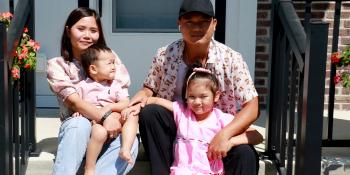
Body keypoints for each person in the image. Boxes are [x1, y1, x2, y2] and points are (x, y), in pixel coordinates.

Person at [122, 0, 261, 174]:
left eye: (203, 22)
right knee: (150, 113)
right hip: (180, 129)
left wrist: (225, 135)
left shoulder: (232, 59)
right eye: (189, 22)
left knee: (245, 154)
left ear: (214, 24)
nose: (196, 28)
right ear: (179, 24)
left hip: (218, 130)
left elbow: (252, 106)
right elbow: (149, 89)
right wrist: (137, 102)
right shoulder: (165, 54)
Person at [46, 7, 138, 175]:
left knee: (130, 140)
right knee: (78, 124)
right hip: (77, 133)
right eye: (81, 29)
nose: (88, 35)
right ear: (68, 31)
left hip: (110, 129)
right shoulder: (57, 65)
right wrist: (104, 117)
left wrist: (112, 116)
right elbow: (75, 102)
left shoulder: (110, 57)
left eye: (93, 30)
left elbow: (122, 97)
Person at [142, 66, 263, 175]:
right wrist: (142, 103)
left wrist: (231, 142)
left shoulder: (221, 118)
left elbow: (256, 136)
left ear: (216, 96)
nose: (197, 102)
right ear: (186, 96)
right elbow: (156, 101)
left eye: (203, 96)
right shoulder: (183, 113)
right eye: (192, 97)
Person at [74, 44, 138, 175]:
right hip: (96, 123)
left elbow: (125, 102)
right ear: (93, 69)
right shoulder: (82, 86)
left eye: (114, 63)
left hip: (115, 119)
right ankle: (90, 167)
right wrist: (77, 113)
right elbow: (78, 105)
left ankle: (125, 148)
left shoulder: (115, 85)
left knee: (133, 115)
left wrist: (110, 106)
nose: (114, 67)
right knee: (99, 132)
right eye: (110, 63)